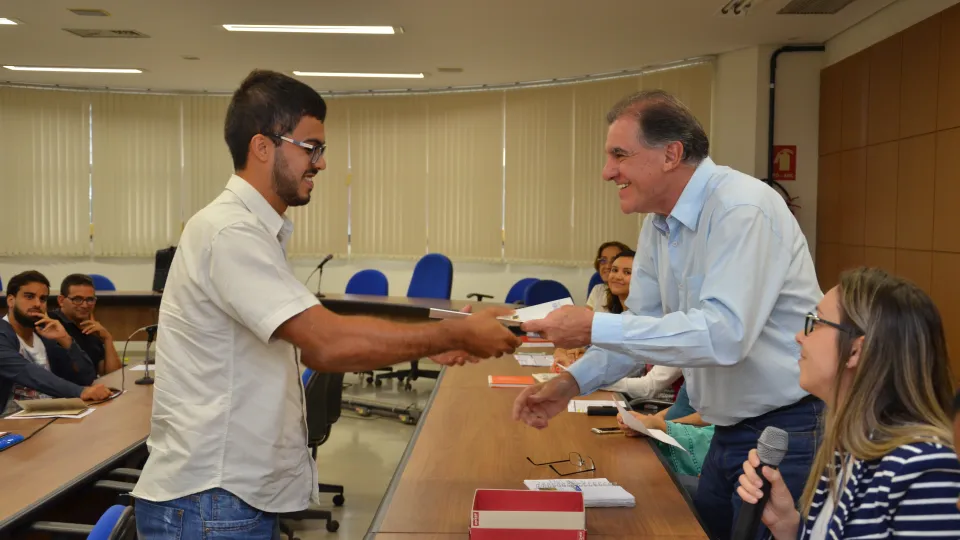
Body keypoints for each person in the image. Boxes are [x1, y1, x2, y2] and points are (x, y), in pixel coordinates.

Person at [131, 69, 521, 540]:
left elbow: (320, 335)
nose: (321, 163)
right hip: (210, 501)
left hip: (224, 496)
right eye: (310, 148)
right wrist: (455, 332)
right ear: (262, 147)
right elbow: (325, 343)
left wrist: (447, 329)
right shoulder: (231, 232)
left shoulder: (248, 230)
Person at [512, 89, 823, 540]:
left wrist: (592, 324)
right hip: (727, 428)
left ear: (670, 155)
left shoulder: (742, 209)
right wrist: (570, 383)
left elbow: (724, 335)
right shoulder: (660, 223)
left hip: (784, 429)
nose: (607, 172)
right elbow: (641, 325)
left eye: (619, 154)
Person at [737, 268, 960, 539]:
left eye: (816, 322)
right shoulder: (846, 449)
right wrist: (789, 526)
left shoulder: (924, 466)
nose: (800, 335)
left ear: (856, 350)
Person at [0, 270, 111, 416]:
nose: (37, 304)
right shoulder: (3, 335)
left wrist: (66, 339)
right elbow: (28, 372)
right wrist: (81, 391)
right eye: (29, 297)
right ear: (11, 300)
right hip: (8, 423)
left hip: (47, 415)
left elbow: (87, 376)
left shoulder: (43, 334)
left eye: (43, 299)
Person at [618, 383, 714, 496]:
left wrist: (661, 425)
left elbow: (649, 386)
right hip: (673, 435)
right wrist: (653, 420)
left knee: (636, 479)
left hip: (692, 447)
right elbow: (681, 404)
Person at [50, 274, 123, 375]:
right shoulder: (52, 324)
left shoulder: (93, 329)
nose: (85, 305)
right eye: (77, 300)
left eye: (90, 300)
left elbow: (113, 376)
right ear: (61, 300)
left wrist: (107, 339)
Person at [584, 241, 630, 310]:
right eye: (603, 260)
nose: (607, 266)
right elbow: (585, 318)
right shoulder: (598, 290)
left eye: (614, 260)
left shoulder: (628, 295)